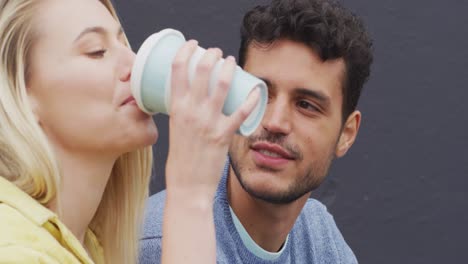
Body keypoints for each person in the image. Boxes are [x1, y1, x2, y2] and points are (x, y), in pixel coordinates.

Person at [0, 0, 258, 263]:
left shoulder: (90, 246)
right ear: (20, 91)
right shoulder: (13, 249)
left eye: (124, 45)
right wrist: (190, 195)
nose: (134, 65)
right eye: (96, 51)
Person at [140, 0, 374, 263]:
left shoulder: (319, 235)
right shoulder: (162, 245)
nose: (275, 122)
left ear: (346, 134)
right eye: (260, 93)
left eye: (306, 105)